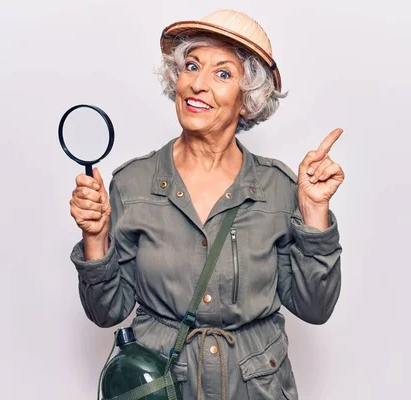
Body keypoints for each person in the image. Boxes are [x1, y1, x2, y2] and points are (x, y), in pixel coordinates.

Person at [69, 9, 345, 400]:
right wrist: (95, 237)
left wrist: (315, 213)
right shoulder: (131, 184)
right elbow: (105, 312)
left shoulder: (279, 187)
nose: (197, 84)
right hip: (162, 387)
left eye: (222, 73)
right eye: (191, 66)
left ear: (247, 99)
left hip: (256, 388)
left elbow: (315, 308)